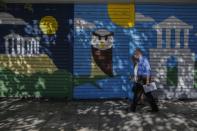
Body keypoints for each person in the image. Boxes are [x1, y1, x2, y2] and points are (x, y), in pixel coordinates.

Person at [130, 48, 159, 112]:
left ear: (139, 53)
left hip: (145, 79)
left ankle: (132, 109)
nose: (135, 54)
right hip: (140, 78)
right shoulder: (138, 60)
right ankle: (155, 109)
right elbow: (137, 70)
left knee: (138, 95)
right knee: (147, 95)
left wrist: (148, 81)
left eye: (136, 53)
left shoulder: (144, 59)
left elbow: (148, 70)